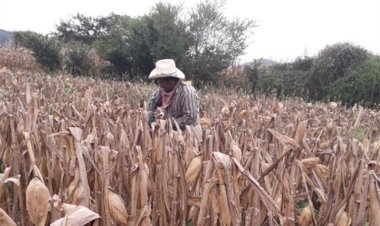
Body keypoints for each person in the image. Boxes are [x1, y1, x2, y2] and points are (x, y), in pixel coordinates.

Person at [147, 59, 202, 140]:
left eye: (162, 82)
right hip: (172, 135)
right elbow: (153, 101)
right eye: (159, 82)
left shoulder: (187, 92)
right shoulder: (164, 89)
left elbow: (190, 119)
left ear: (172, 81)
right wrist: (151, 116)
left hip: (189, 137)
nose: (160, 85)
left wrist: (167, 124)